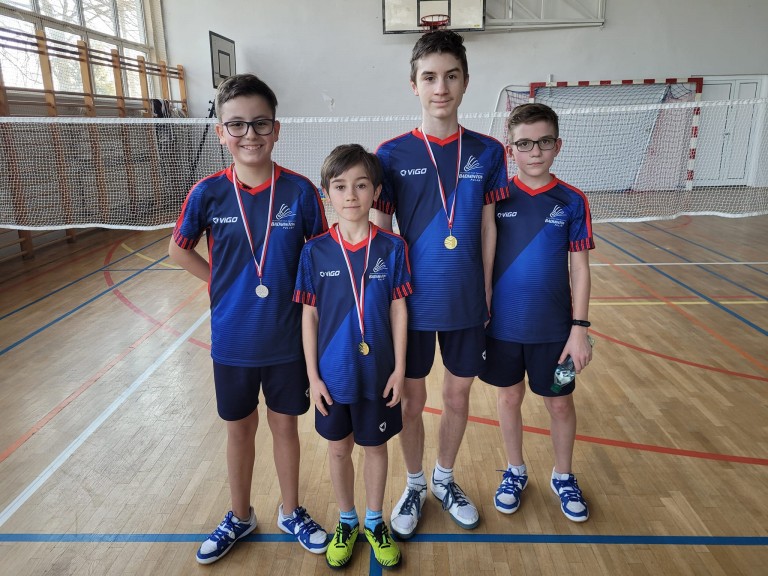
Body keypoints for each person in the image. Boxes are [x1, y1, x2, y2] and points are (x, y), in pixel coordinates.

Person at [168, 73, 330, 564]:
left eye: (260, 123)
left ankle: (290, 510)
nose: (249, 134)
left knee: (285, 428)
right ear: (221, 133)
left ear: (276, 129)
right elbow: (177, 250)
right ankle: (240, 515)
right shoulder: (207, 193)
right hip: (233, 340)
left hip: (287, 340)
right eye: (236, 125)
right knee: (238, 430)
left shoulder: (300, 192)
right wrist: (218, 281)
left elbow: (321, 258)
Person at [371, 30, 509, 538]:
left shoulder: (489, 151)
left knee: (456, 396)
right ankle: (414, 484)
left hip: (466, 301)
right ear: (414, 85)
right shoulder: (390, 154)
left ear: (466, 81)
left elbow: (490, 227)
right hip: (409, 304)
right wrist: (381, 301)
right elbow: (381, 235)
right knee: (409, 402)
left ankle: (445, 479)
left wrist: (487, 288)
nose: (441, 87)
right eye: (429, 77)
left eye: (451, 76)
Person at [294, 144, 411, 569]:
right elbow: (309, 316)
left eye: (361, 185)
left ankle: (375, 521)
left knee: (375, 448)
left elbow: (399, 309)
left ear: (375, 192)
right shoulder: (314, 251)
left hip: (378, 373)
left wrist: (400, 369)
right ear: (327, 193)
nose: (351, 195)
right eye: (340, 186)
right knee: (339, 449)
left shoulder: (393, 247)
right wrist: (313, 377)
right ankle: (347, 521)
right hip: (333, 375)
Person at [480, 102, 595, 522]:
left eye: (544, 142)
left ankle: (563, 475)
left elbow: (580, 269)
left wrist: (579, 329)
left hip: (555, 331)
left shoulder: (572, 200)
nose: (535, 152)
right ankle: (515, 470)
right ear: (510, 150)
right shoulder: (496, 199)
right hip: (502, 328)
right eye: (524, 144)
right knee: (509, 397)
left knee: (559, 404)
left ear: (558, 145)